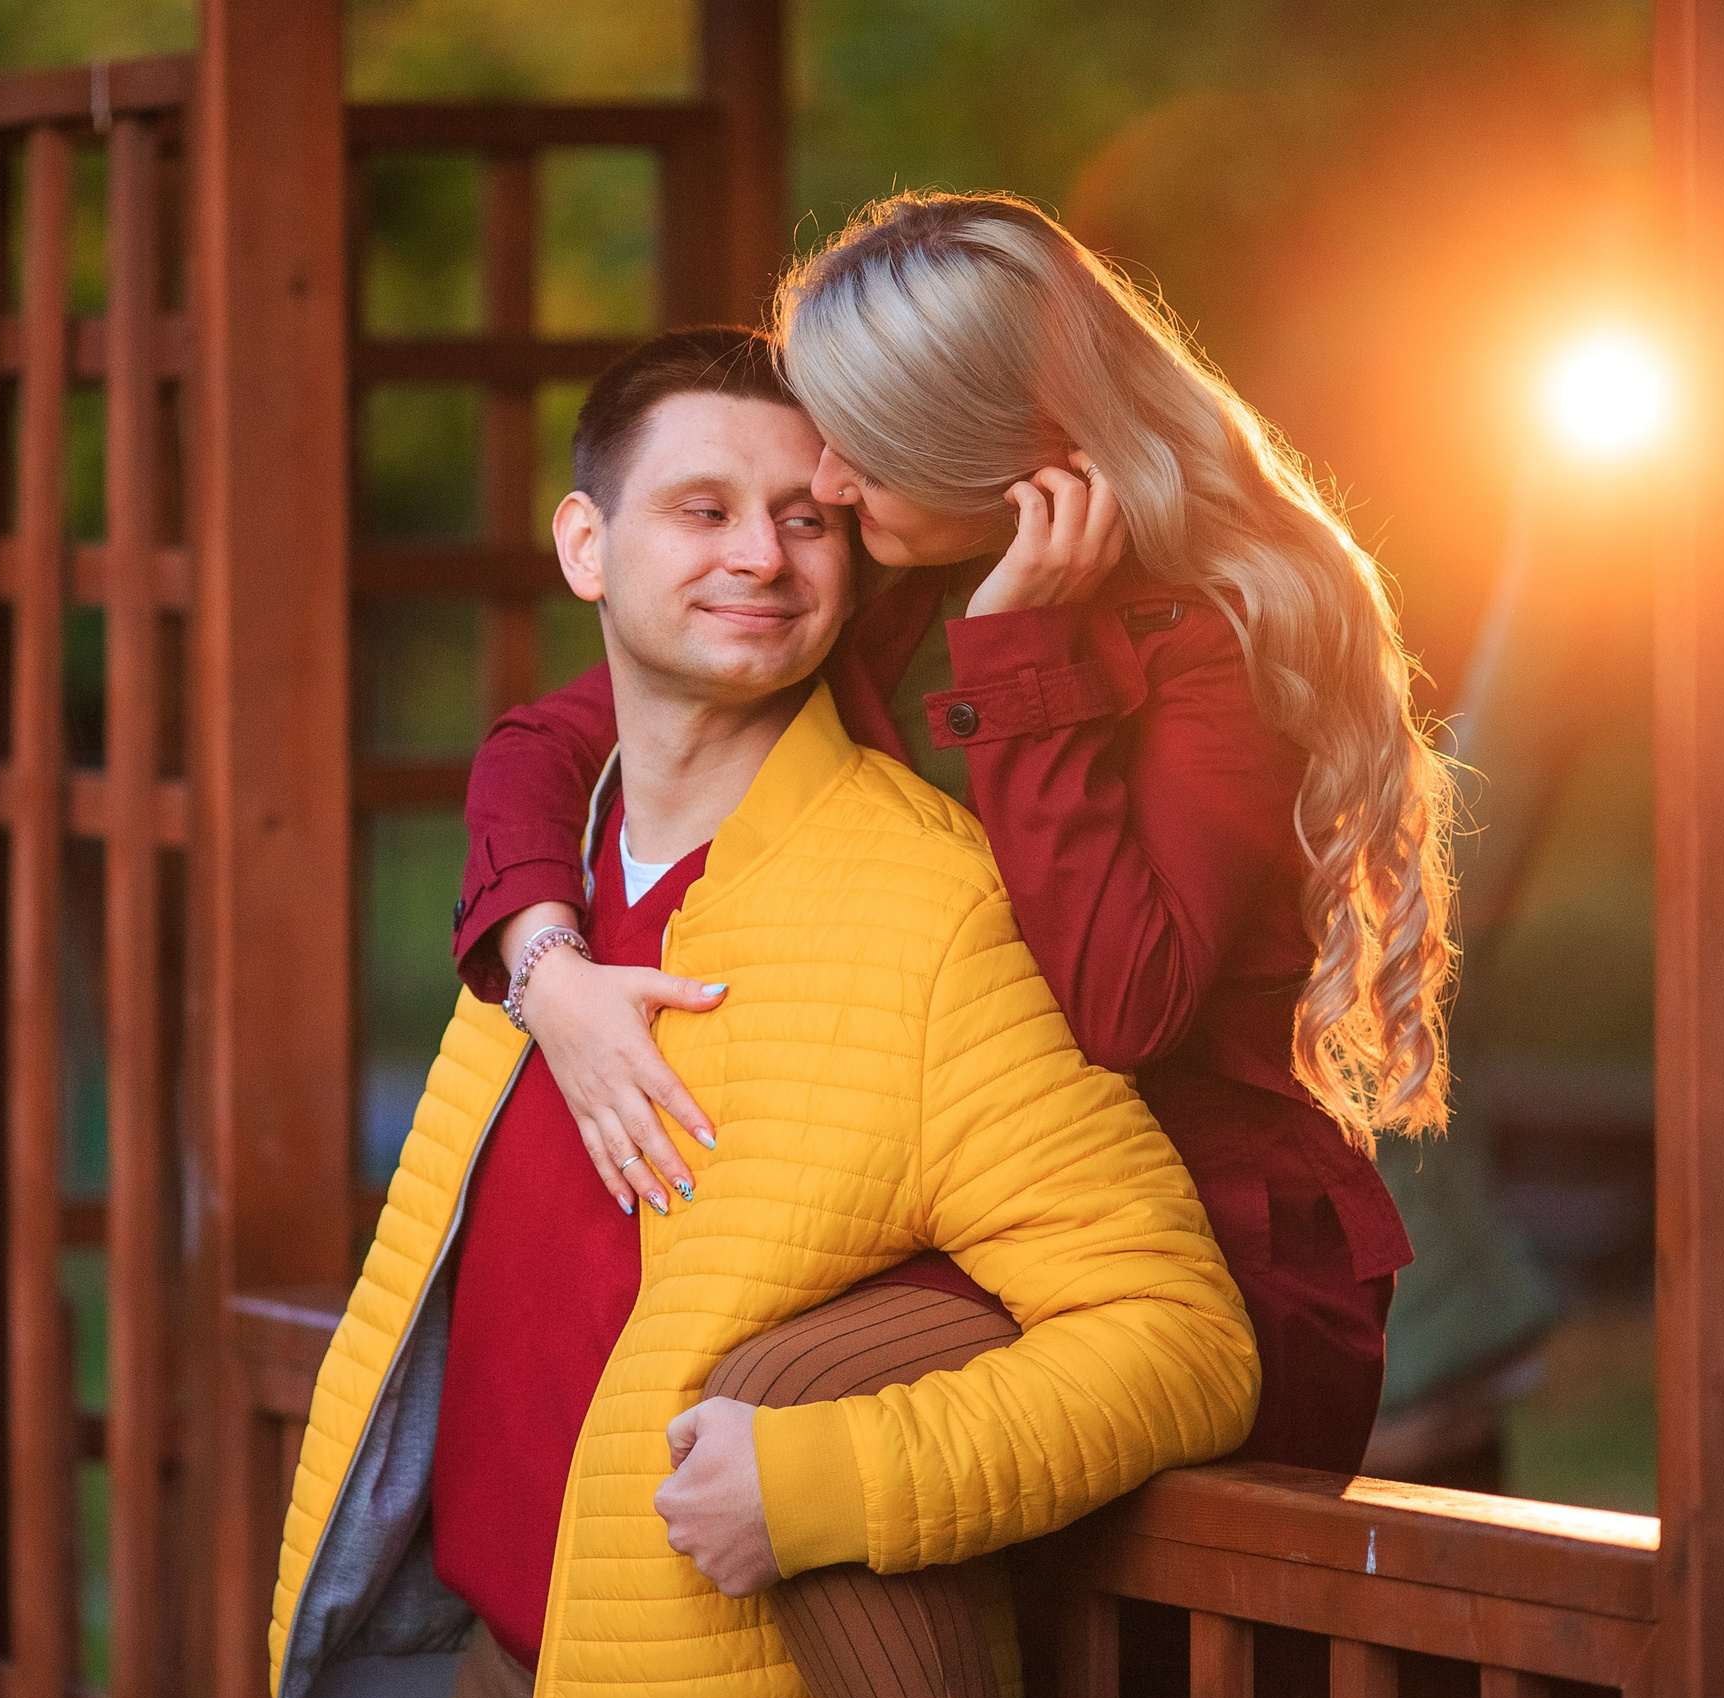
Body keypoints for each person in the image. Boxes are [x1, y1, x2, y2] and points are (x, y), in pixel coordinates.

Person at [269, 328, 1257, 1698]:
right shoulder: (538, 907)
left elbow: (1176, 1336)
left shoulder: (932, 906)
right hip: (484, 1663)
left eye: (807, 519)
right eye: (702, 509)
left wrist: (827, 1481)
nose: (762, 556)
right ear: (584, 546)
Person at [452, 192, 1454, 1478]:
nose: (821, 482)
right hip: (936, 1218)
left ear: (1000, 457)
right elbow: (553, 741)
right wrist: (552, 975)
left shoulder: (1217, 639)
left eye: (861, 447)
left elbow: (1125, 1006)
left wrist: (1021, 652)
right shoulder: (887, 580)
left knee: (768, 1417)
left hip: (1194, 1256)